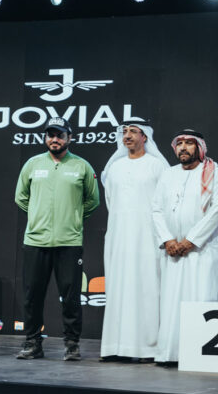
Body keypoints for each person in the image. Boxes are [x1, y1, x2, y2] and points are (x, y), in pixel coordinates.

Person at [14, 116, 100, 360]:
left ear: (69, 138)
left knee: (71, 297)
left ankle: (72, 344)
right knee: (32, 296)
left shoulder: (82, 166)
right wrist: (37, 216)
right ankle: (32, 343)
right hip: (35, 241)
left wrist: (72, 218)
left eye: (60, 135)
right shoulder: (32, 164)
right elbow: (21, 197)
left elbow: (92, 201)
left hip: (69, 242)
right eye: (50, 135)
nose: (54, 139)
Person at [151, 130, 218, 366]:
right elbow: (156, 209)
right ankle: (169, 353)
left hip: (201, 249)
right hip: (172, 251)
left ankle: (195, 355)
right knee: (171, 303)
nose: (183, 148)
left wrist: (191, 240)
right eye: (180, 143)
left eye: (189, 143)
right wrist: (168, 240)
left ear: (200, 147)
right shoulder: (168, 174)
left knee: (199, 298)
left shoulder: (214, 173)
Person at [99, 121, 169, 362]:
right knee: (118, 288)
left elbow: (164, 203)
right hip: (118, 237)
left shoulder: (157, 166)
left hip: (148, 238)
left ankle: (148, 349)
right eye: (124, 132)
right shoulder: (114, 168)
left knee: (147, 288)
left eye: (133, 132)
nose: (127, 136)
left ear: (145, 137)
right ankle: (115, 346)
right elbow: (111, 201)